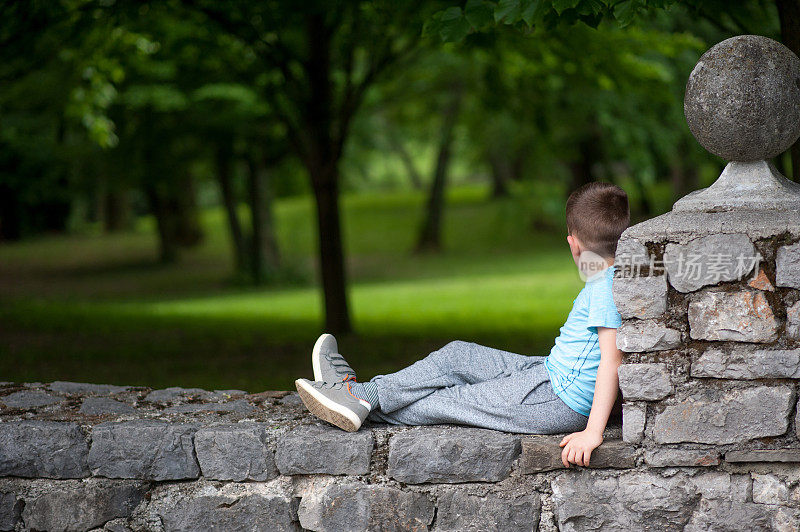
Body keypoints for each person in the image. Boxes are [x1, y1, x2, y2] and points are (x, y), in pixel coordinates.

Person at [295, 181, 629, 468]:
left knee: (449, 399)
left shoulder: (602, 286)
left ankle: (355, 400)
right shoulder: (618, 272)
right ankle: (359, 393)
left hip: (557, 400)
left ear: (573, 244)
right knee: (458, 355)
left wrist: (593, 432)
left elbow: (612, 361)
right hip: (547, 373)